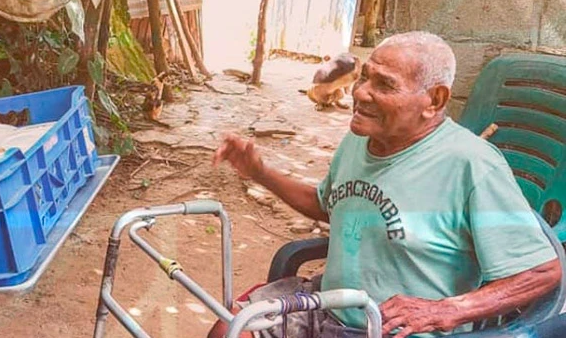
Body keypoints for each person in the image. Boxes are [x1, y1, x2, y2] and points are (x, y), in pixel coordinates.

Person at [209, 31, 562, 338]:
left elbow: (543, 271)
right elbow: (329, 206)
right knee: (229, 329)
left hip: (397, 329)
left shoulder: (472, 165)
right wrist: (260, 171)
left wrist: (444, 311)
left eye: (384, 85)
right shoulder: (359, 140)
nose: (360, 93)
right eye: (365, 77)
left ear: (434, 100)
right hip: (332, 306)